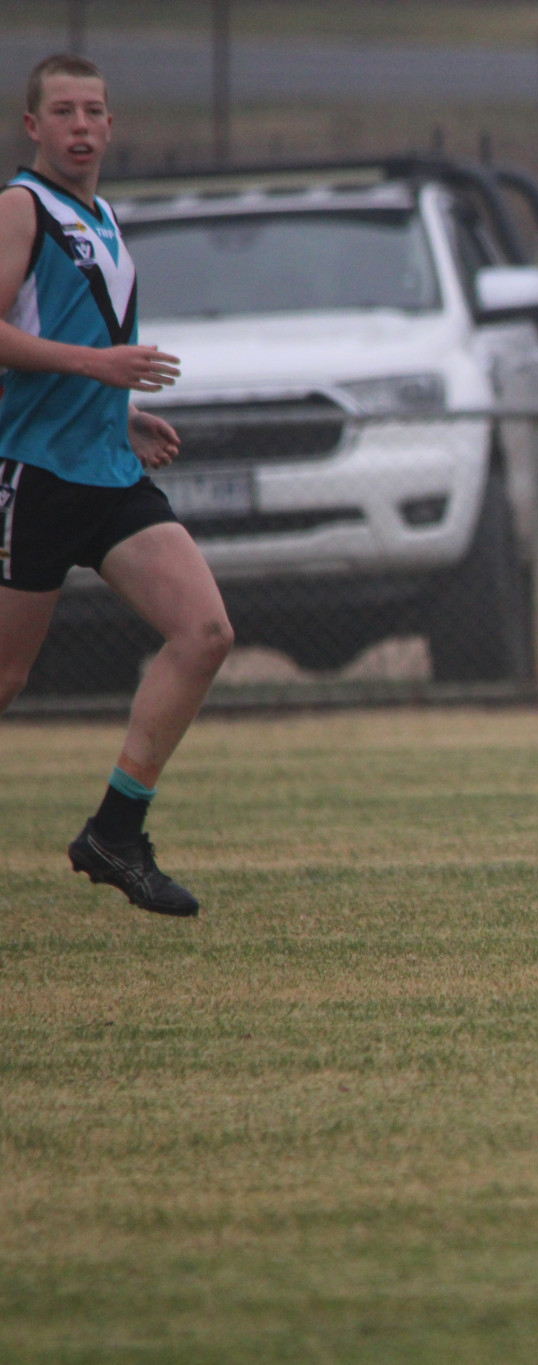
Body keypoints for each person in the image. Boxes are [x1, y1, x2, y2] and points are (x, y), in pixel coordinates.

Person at [0, 54, 231, 917]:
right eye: (63, 111)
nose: (83, 126)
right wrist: (100, 366)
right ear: (34, 126)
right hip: (36, 473)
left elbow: (59, 343)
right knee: (6, 678)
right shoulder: (21, 208)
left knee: (204, 630)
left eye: (95, 110)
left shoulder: (98, 214)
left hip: (104, 467)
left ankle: (115, 832)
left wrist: (119, 412)